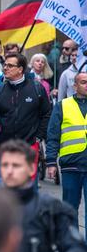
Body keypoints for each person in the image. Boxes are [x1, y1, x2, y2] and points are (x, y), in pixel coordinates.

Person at [0, 140, 87, 252]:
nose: (9, 170)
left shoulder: (51, 208)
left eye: (16, 165)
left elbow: (77, 250)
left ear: (32, 169)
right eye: (5, 165)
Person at [0, 52, 51, 178]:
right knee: (4, 190)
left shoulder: (37, 88)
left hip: (29, 146)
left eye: (10, 66)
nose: (5, 68)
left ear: (20, 69)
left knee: (27, 190)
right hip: (5, 147)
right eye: (5, 65)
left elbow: (46, 114)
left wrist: (38, 137)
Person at [47, 71, 87, 237]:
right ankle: (72, 246)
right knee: (69, 209)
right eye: (84, 82)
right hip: (71, 165)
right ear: (75, 86)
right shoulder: (62, 105)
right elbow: (53, 135)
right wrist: (50, 162)